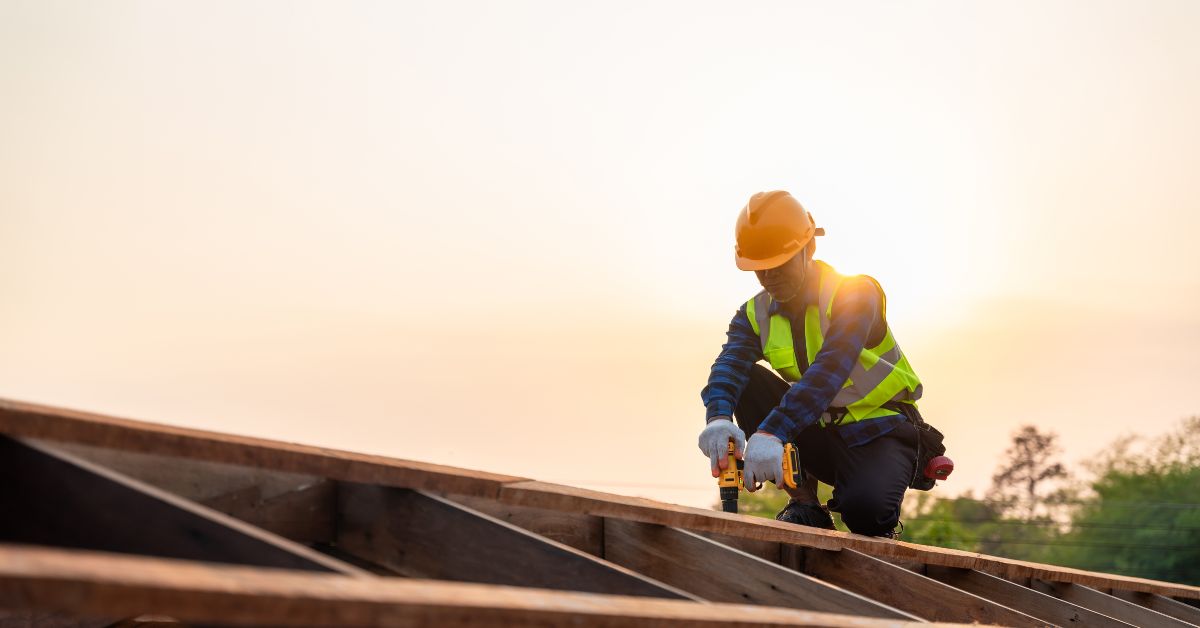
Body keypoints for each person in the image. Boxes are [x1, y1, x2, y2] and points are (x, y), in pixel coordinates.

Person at [698, 190, 926, 537]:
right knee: (744, 383)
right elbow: (730, 365)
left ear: (809, 249)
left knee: (865, 513)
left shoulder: (855, 294)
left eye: (779, 264)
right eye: (760, 269)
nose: (769, 276)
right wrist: (717, 418)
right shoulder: (752, 315)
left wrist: (771, 432)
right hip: (817, 430)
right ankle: (806, 504)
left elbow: (829, 372)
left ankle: (877, 513)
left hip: (879, 431)